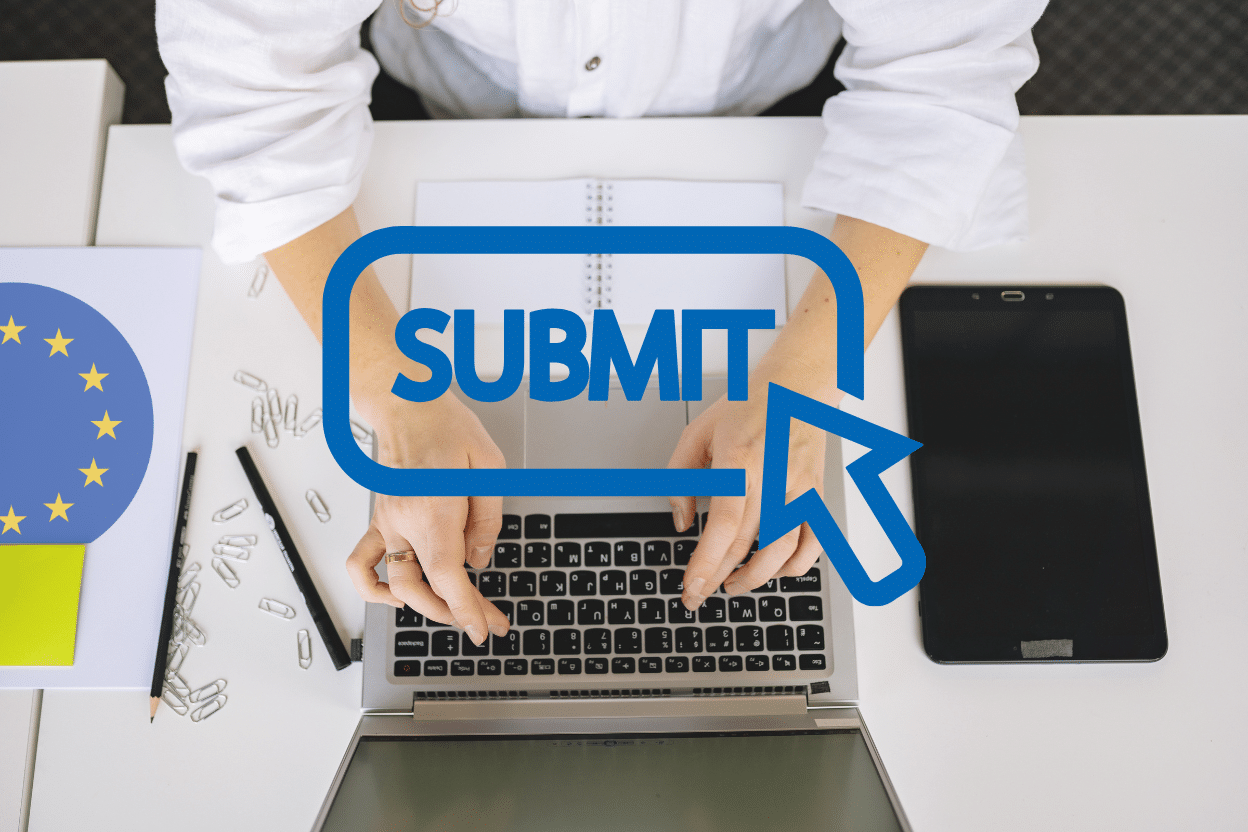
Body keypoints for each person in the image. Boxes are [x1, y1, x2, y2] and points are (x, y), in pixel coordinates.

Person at [157, 0, 1048, 647]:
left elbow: (940, 74)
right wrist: (398, 400)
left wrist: (805, 377)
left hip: (762, 95)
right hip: (451, 96)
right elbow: (253, 83)